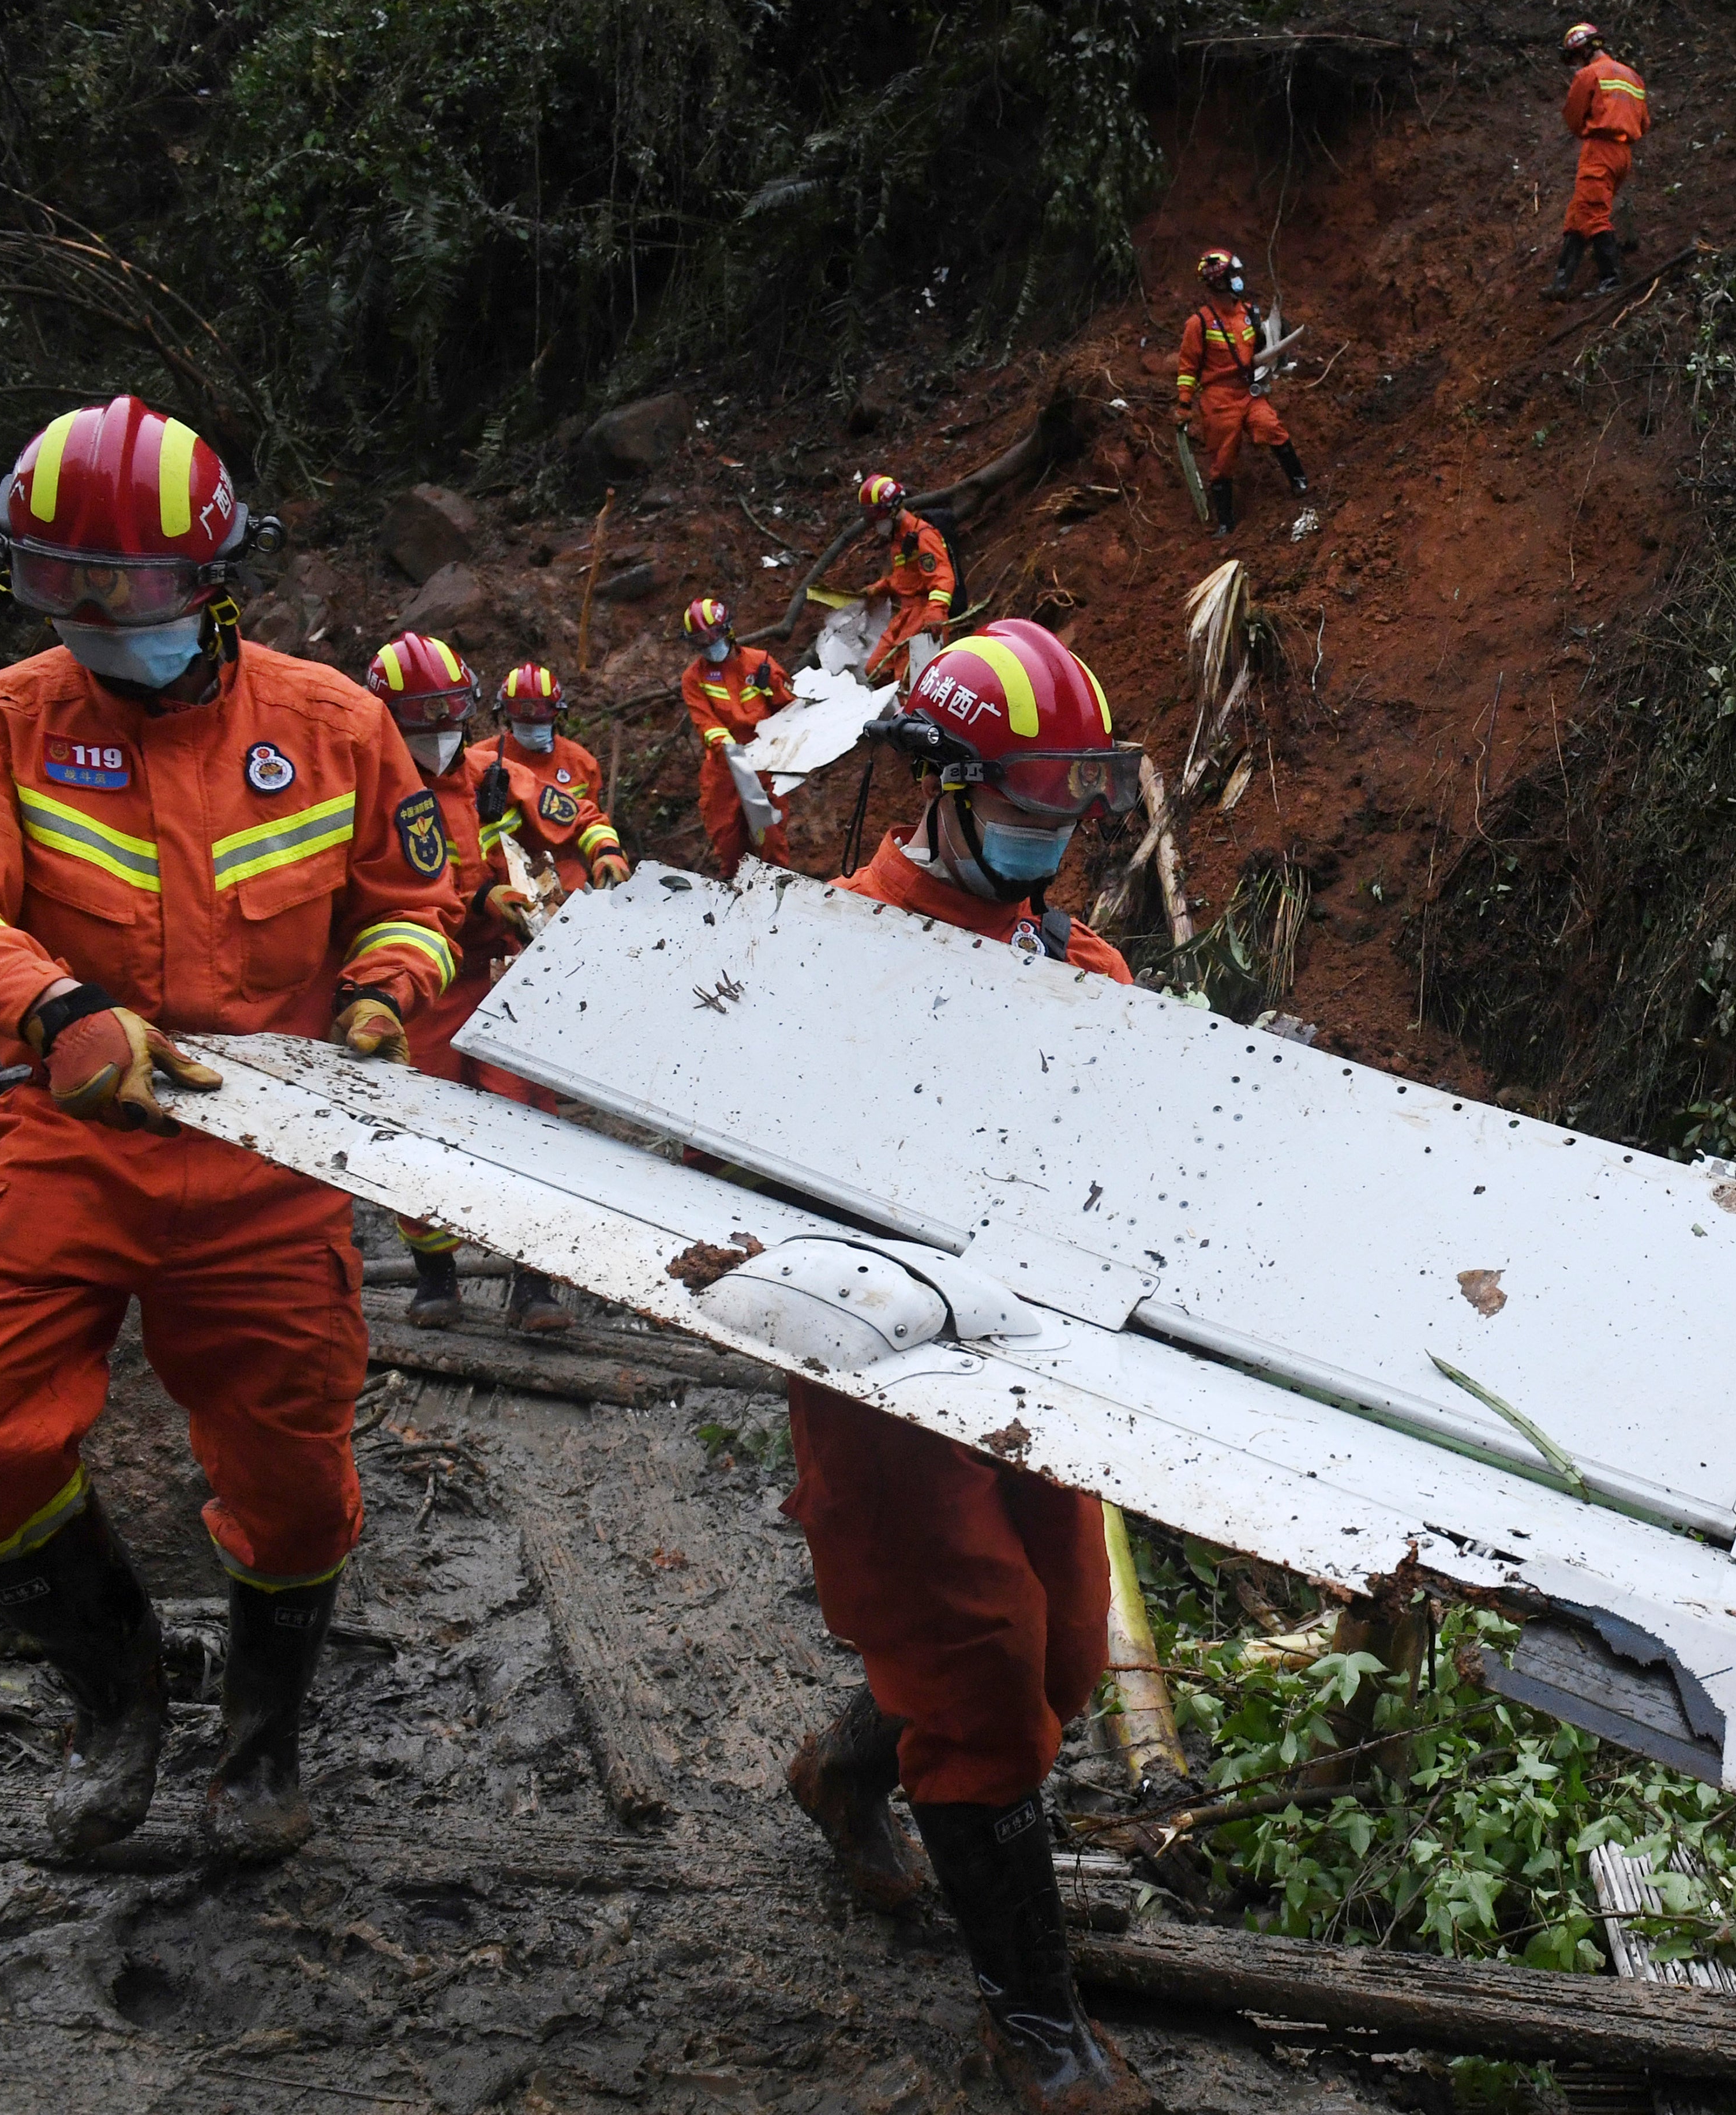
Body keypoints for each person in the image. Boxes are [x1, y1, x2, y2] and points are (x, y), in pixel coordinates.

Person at [0, 396, 460, 1859]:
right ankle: (119, 1694)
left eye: (124, 586)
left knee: (293, 1473)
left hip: (273, 1154)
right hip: (74, 1131)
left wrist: (388, 989)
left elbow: (412, 900)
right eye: (53, 583)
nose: (90, 614)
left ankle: (258, 1749)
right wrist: (47, 1008)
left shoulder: (335, 725)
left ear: (217, 576)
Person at [780, 620, 1152, 2114]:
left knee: (1061, 1657)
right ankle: (1031, 2033)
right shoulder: (823, 953)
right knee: (987, 1677)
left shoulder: (1085, 964)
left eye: (1069, 809)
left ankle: (848, 1768)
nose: (1046, 837)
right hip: (880, 1378)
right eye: (1023, 804)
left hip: (1025, 1367)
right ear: (937, 784)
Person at [359, 632, 572, 1335]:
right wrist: (480, 900)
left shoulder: (483, 774)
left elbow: (554, 828)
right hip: (420, 985)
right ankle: (435, 1275)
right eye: (426, 725)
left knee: (527, 1124)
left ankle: (534, 1283)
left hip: (498, 975)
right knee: (415, 1129)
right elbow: (390, 892)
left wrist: (575, 867)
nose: (443, 738)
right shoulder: (359, 789)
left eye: (452, 720)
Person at [1176, 249, 1308, 539]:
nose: (1238, 280)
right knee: (1223, 459)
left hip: (1249, 392)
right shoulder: (1199, 324)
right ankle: (1226, 522)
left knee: (1272, 427)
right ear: (1218, 283)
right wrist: (1184, 403)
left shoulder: (1249, 313)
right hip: (1219, 400)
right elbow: (1188, 367)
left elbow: (1262, 348)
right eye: (1232, 276)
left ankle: (1300, 481)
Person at [466, 662, 628, 892]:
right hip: (503, 880)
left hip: (567, 878)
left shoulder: (581, 763)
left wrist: (606, 852)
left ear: (557, 714)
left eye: (538, 719)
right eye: (522, 720)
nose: (531, 727)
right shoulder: (484, 760)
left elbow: (589, 821)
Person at [681, 596, 795, 872]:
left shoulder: (760, 663)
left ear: (728, 631)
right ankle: (736, 896)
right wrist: (732, 750)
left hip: (766, 764)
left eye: (712, 638)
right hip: (725, 770)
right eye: (700, 643)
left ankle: (777, 894)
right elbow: (706, 725)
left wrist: (774, 692)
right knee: (728, 842)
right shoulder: (694, 678)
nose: (709, 647)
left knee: (772, 840)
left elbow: (791, 710)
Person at [1548, 24, 1649, 299]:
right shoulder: (1634, 77)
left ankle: (1612, 280)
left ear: (1581, 51)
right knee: (1580, 212)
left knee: (1593, 214)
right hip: (1623, 154)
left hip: (1600, 151)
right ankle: (1561, 283)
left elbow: (1573, 115)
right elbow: (1645, 122)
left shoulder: (1589, 75)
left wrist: (1589, 133)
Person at [852, 474, 960, 684]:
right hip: (906, 615)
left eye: (876, 516)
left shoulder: (923, 535)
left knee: (909, 680)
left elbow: (943, 577)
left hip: (924, 614)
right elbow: (906, 578)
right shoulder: (899, 539)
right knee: (875, 669)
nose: (875, 523)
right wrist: (881, 587)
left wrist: (936, 611)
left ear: (890, 511)